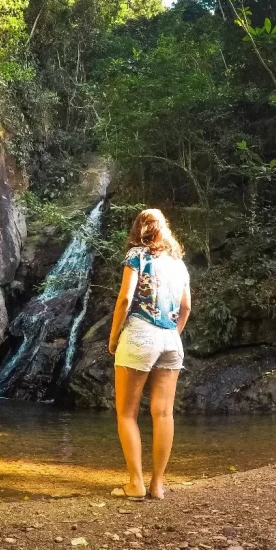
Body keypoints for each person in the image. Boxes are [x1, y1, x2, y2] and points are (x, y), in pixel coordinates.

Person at [107, 208, 191, 501]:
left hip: (141, 335)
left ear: (138, 230)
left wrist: (114, 336)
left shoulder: (137, 256)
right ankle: (157, 486)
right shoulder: (179, 264)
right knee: (164, 413)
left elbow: (126, 299)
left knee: (127, 414)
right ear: (165, 229)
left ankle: (136, 484)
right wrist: (172, 334)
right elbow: (186, 308)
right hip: (170, 338)